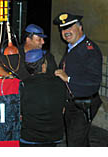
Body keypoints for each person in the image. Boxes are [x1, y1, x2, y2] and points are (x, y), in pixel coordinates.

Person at [53, 12, 102, 147]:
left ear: (80, 28)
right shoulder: (73, 48)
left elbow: (94, 81)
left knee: (75, 144)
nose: (66, 31)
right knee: (79, 142)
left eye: (70, 27)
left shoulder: (89, 49)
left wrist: (68, 78)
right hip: (72, 104)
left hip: (83, 104)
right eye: (63, 29)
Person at [19, 52, 67, 147]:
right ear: (44, 66)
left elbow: (20, 113)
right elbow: (63, 110)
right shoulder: (60, 82)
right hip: (54, 137)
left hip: (30, 138)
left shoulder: (23, 85)